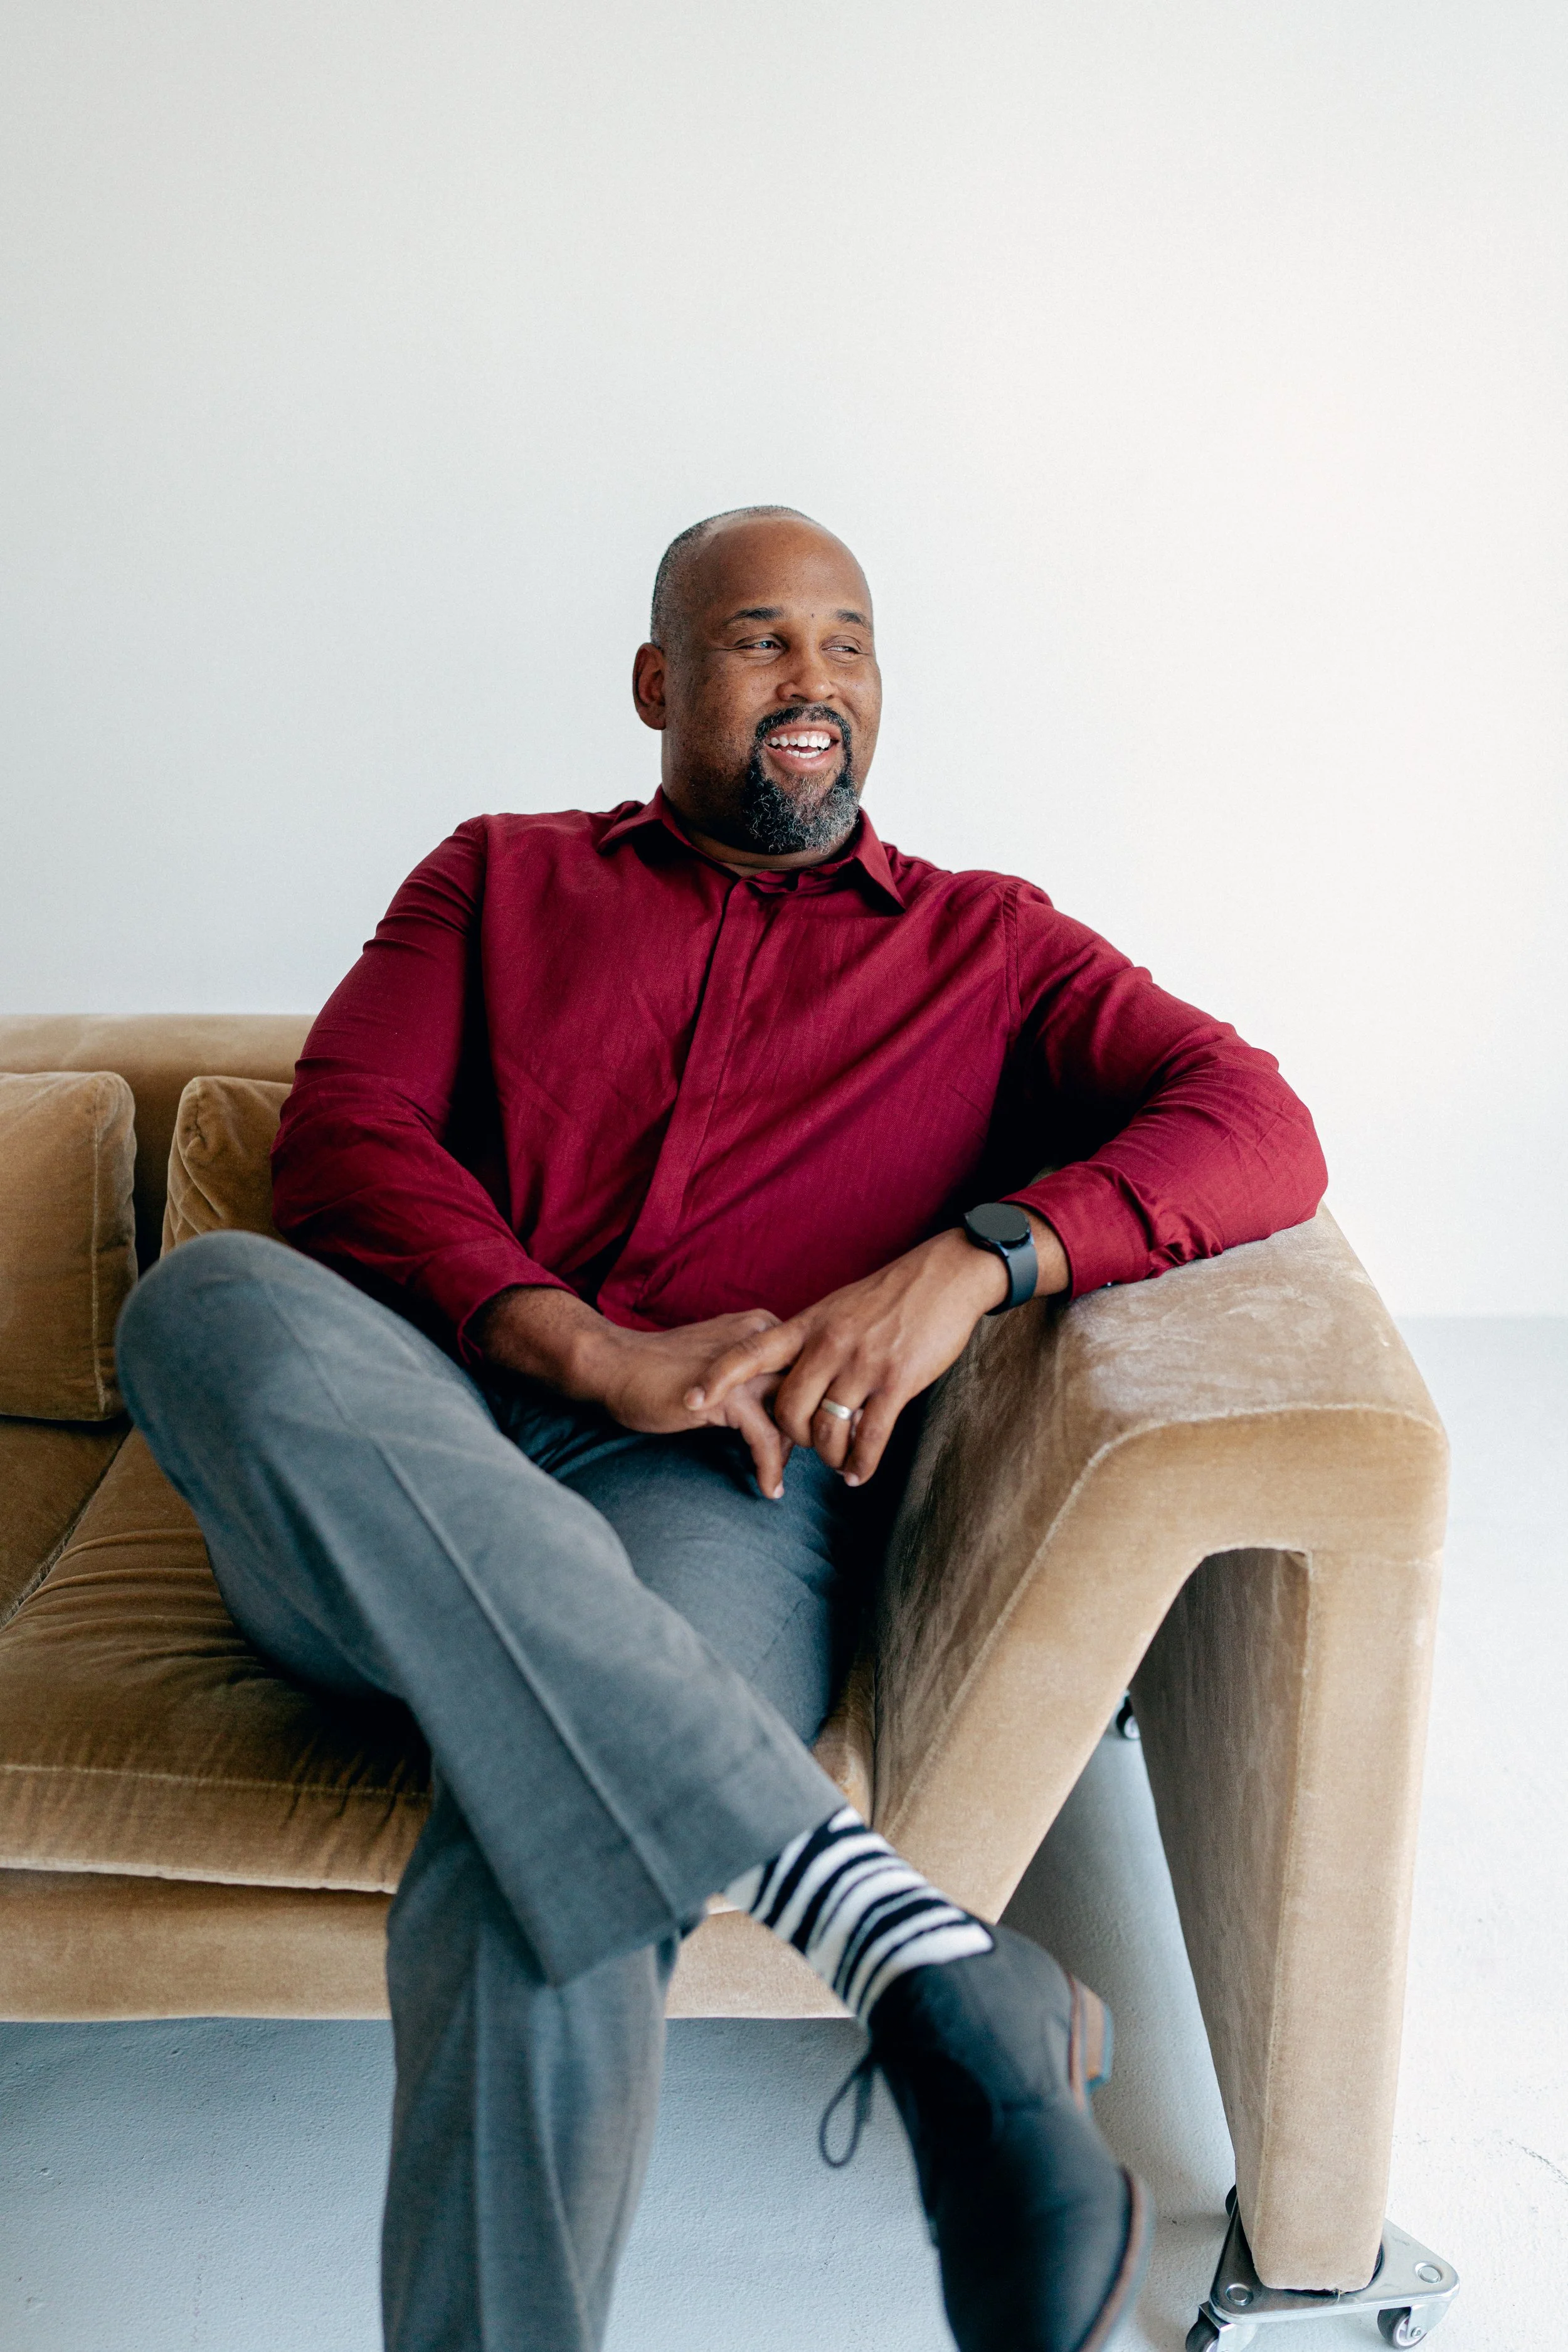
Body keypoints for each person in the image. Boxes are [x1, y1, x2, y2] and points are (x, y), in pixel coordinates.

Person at [116, 506, 1327, 2352]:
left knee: (545, 1840)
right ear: (656, 682)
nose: (812, 680)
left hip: (722, 1500)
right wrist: (590, 1350)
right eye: (761, 638)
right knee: (201, 1301)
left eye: (846, 642)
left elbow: (1250, 1117)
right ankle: (901, 1942)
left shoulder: (989, 947)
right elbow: (346, 1137)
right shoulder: (496, 880)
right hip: (404, 1440)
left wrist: (978, 1259)